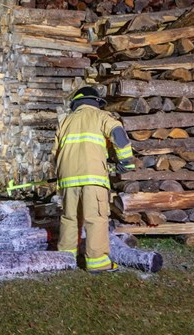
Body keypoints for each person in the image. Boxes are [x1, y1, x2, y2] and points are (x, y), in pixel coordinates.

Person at [52, 86, 135, 274]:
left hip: (68, 180)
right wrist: (126, 162)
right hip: (93, 178)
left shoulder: (65, 121)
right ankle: (97, 262)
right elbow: (119, 135)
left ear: (76, 103)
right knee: (95, 218)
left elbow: (55, 154)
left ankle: (65, 258)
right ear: (96, 102)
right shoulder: (102, 117)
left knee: (69, 218)